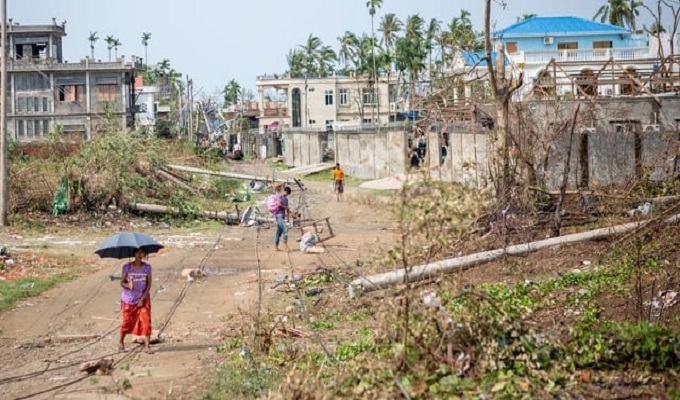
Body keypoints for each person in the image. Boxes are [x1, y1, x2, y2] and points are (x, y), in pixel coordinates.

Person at [119, 248, 153, 354]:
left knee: (146, 321)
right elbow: (122, 282)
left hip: (143, 298)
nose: (139, 255)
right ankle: (121, 341)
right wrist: (128, 285)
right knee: (126, 322)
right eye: (137, 252)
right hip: (129, 299)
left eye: (142, 252)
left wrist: (142, 299)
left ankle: (147, 346)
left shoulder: (147, 267)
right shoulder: (127, 267)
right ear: (134, 253)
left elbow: (149, 285)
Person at [274, 186, 291, 252]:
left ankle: (276, 246)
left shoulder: (286, 199)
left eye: (287, 194)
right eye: (286, 192)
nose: (286, 194)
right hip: (278, 215)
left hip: (283, 216)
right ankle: (285, 245)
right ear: (284, 191)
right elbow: (278, 204)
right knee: (285, 229)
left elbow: (287, 209)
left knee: (278, 232)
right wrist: (285, 207)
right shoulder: (279, 196)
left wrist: (288, 218)